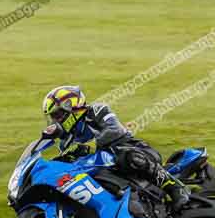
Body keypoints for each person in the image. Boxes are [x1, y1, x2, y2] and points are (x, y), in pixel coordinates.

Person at [41, 85, 190, 211]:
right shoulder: (65, 141)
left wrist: (89, 146)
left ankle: (175, 187)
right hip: (103, 173)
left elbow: (115, 130)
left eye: (58, 115)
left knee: (126, 155)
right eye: (53, 118)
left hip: (134, 150)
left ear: (72, 107)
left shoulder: (96, 111)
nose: (56, 121)